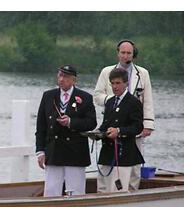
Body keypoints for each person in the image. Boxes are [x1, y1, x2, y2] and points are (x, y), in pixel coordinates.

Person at [93, 39, 154, 190]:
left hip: (135, 122)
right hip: (112, 120)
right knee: (108, 166)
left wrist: (148, 124)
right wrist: (114, 101)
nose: (126, 56)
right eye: (123, 53)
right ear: (117, 53)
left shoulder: (143, 73)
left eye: (129, 53)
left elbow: (148, 100)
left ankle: (132, 192)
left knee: (134, 166)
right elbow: (97, 95)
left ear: (133, 55)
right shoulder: (106, 72)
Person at [35, 65, 97, 197]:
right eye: (60, 76)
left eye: (66, 77)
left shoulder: (85, 97)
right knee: (51, 191)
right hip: (53, 150)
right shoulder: (48, 96)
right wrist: (40, 151)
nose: (62, 79)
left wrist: (71, 122)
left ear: (74, 80)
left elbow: (91, 123)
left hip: (75, 151)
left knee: (76, 192)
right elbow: (41, 126)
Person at [96, 68, 144, 193]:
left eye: (118, 83)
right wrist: (97, 133)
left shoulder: (134, 102)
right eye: (112, 83)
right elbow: (106, 124)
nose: (115, 86)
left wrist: (119, 131)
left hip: (124, 154)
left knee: (118, 191)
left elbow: (138, 127)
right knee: (102, 189)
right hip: (106, 153)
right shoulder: (110, 102)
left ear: (126, 83)